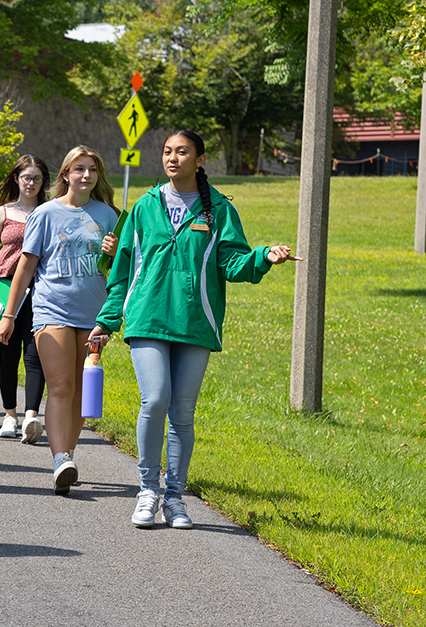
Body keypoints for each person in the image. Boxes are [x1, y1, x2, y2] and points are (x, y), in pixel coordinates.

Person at [92, 130, 300, 528]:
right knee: (154, 401)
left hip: (195, 321)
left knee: (182, 412)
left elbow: (233, 264)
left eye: (182, 152)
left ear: (200, 159)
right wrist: (107, 319)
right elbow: (121, 270)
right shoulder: (143, 207)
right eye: (168, 151)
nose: (172, 158)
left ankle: (175, 498)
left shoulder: (218, 209)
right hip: (147, 316)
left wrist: (264, 257)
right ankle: (148, 490)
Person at [0, 146, 120, 495]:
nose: (86, 176)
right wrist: (9, 313)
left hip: (93, 314)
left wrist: (114, 253)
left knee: (82, 395)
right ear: (65, 174)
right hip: (52, 311)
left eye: (92, 170)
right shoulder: (46, 214)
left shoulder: (108, 216)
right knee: (61, 385)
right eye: (79, 169)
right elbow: (26, 267)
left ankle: (67, 457)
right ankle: (60, 457)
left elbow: (120, 272)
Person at [0, 155, 50, 442]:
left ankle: (32, 416)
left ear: (44, 182)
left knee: (36, 354)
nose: (30, 183)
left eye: (36, 178)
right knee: (8, 354)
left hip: (41, 291)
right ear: (16, 179)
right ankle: (10, 415)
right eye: (26, 177)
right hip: (6, 290)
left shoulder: (50, 212)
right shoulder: (1, 213)